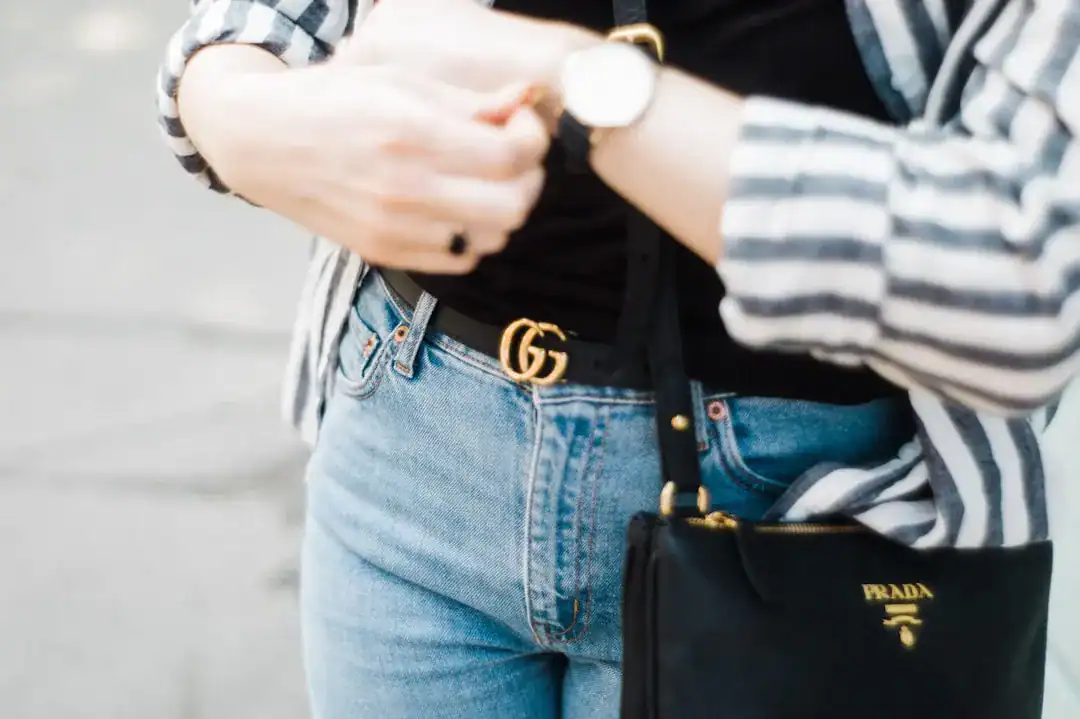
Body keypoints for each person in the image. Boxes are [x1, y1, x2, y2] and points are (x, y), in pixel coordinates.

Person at [157, 0, 1075, 717]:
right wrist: (239, 111)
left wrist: (574, 78)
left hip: (805, 508)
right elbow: (270, 29)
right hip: (407, 427)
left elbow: (1026, 272)